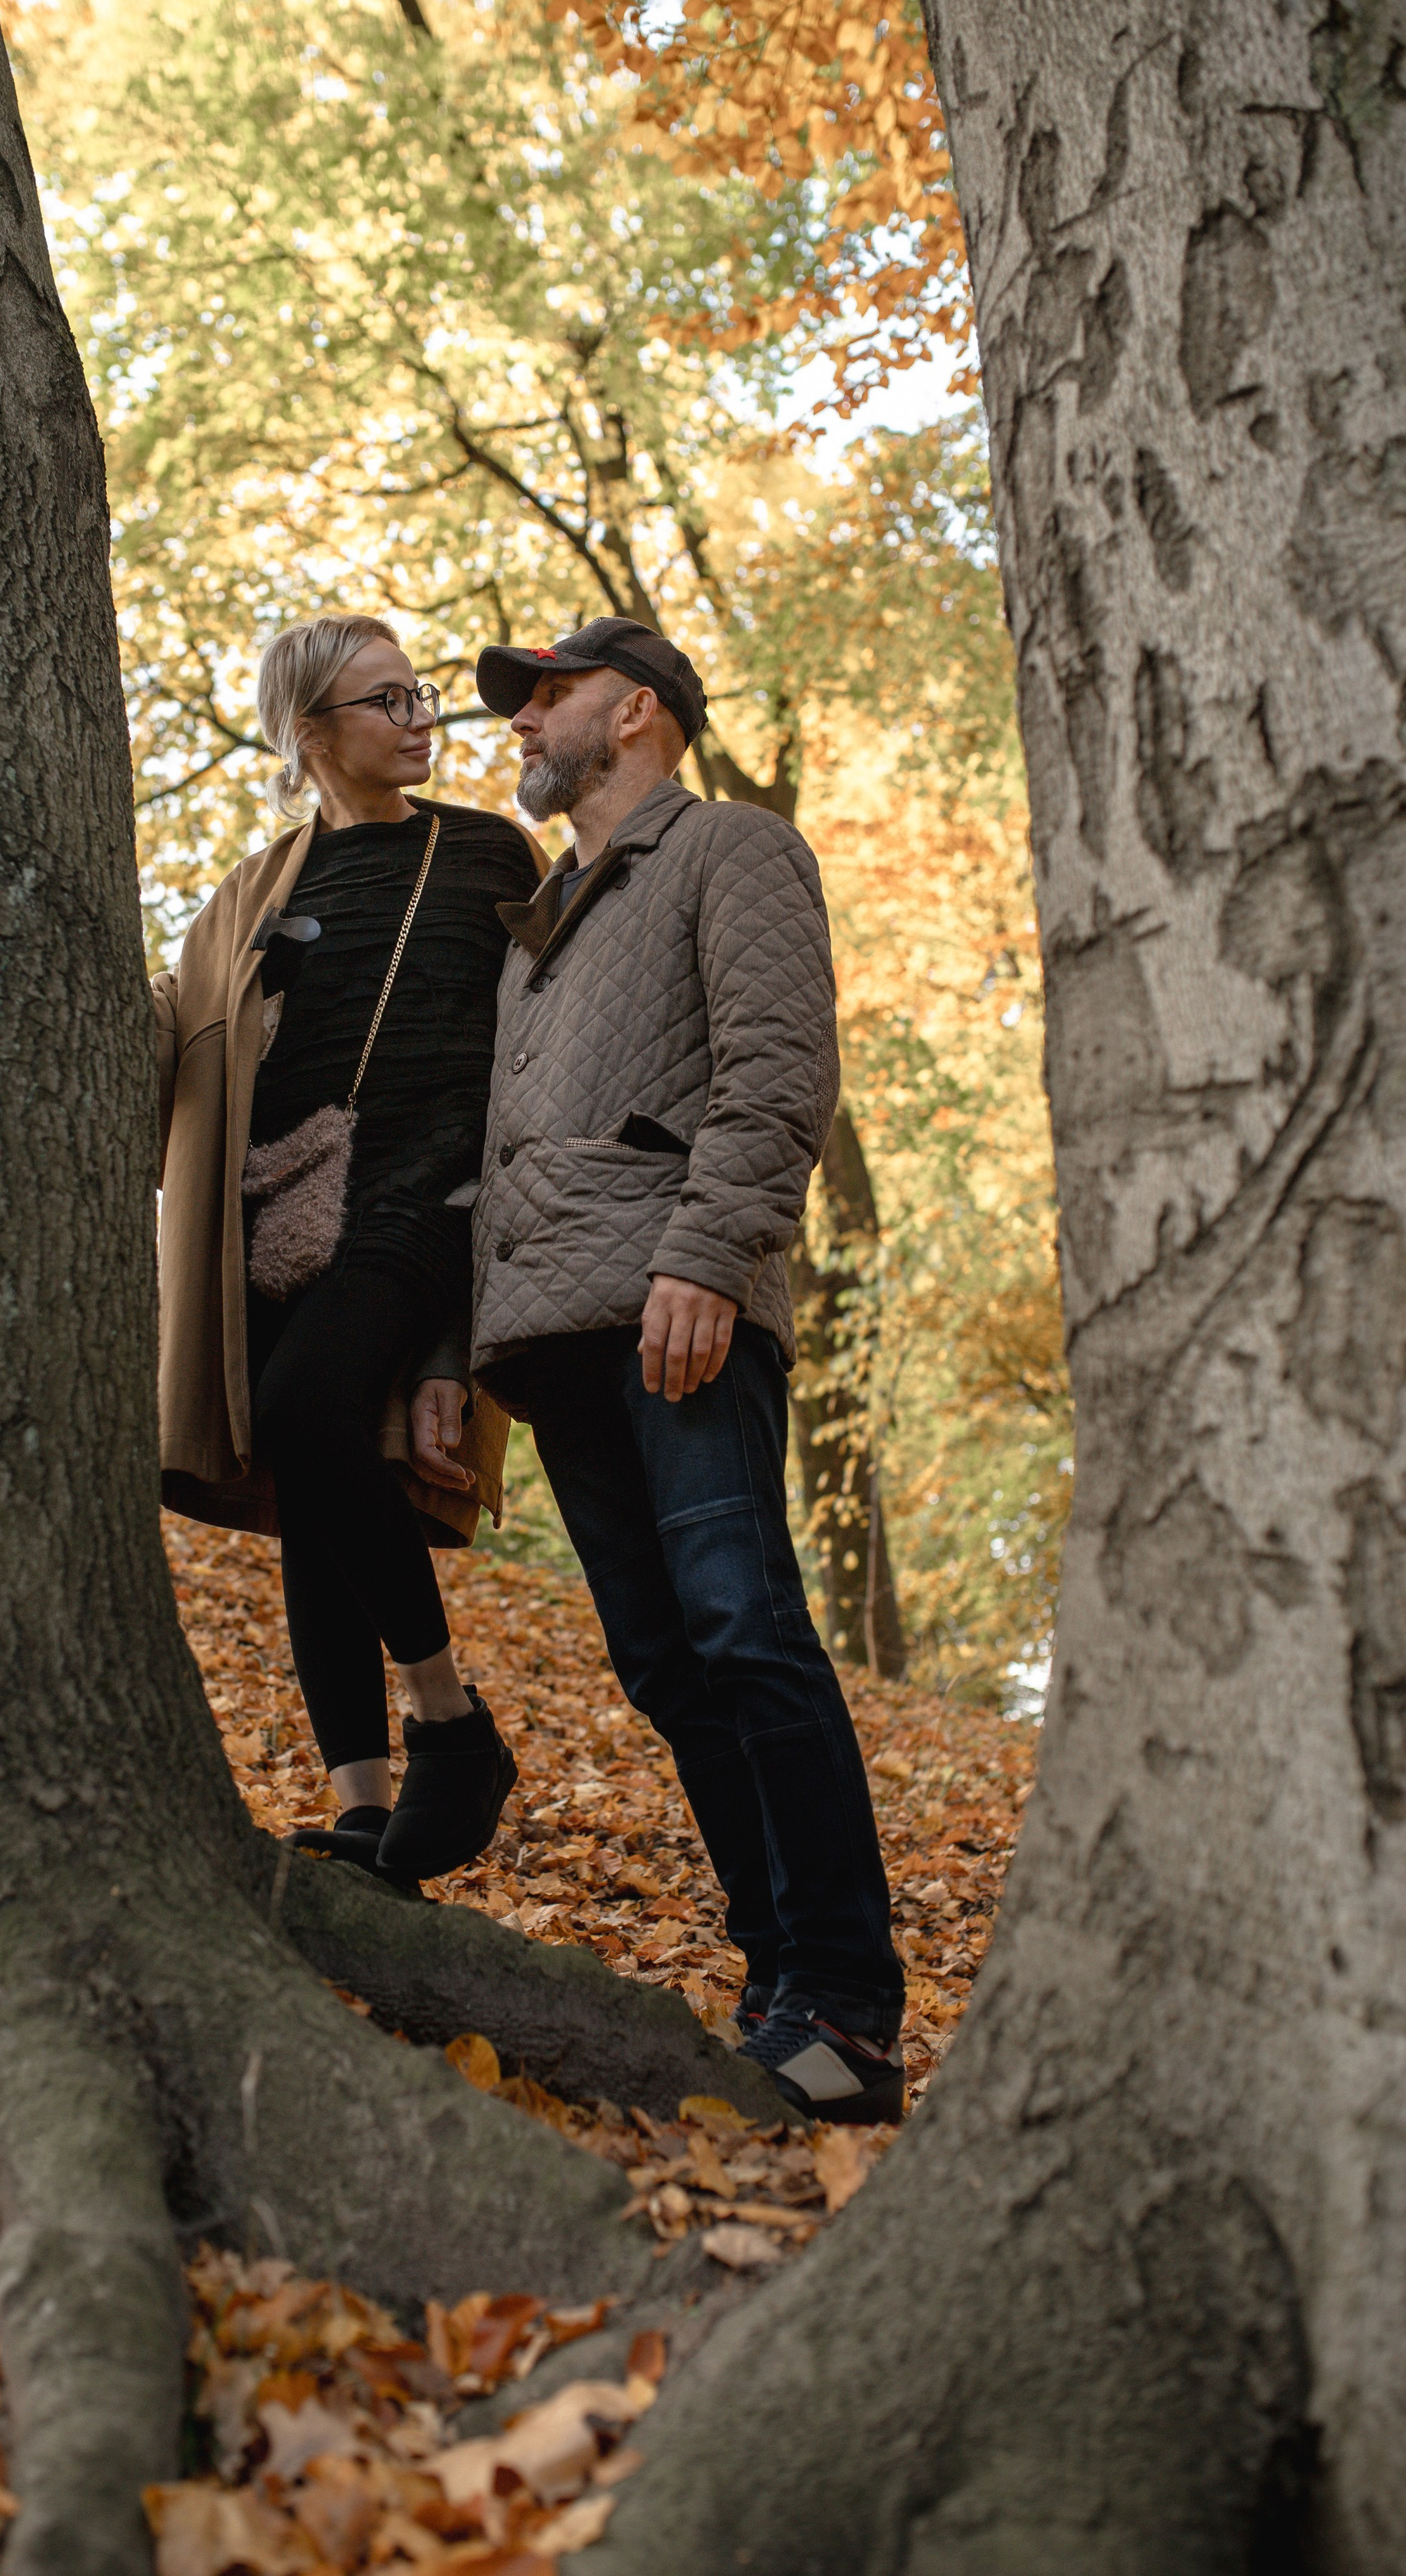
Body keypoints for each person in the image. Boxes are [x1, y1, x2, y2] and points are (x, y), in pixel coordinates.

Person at [467, 616, 906, 2121]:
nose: (522, 722)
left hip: (675, 1306)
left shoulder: (734, 852)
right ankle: (775, 1980)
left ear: (636, 713)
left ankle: (847, 2008)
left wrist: (706, 1259)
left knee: (742, 1629)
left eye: (548, 697)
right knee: (661, 1662)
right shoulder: (540, 926)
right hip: (554, 1329)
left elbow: (775, 1068)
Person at [151, 615, 540, 1884]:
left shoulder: (489, 853)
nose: (424, 716)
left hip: (428, 1203)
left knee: (310, 1412)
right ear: (312, 731)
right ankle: (364, 1809)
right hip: (273, 1219)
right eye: (390, 699)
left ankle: (448, 1721)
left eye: (421, 693)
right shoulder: (257, 893)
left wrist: (451, 1347)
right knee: (308, 1485)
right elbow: (172, 1037)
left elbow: (528, 1066)